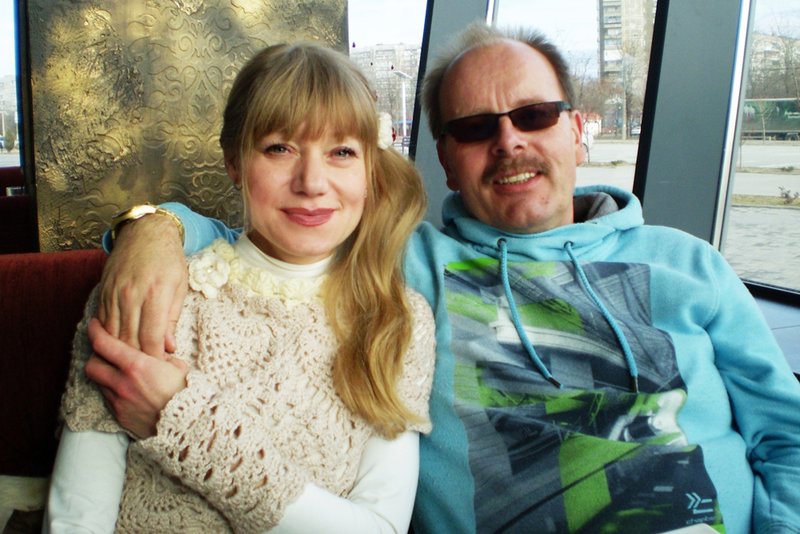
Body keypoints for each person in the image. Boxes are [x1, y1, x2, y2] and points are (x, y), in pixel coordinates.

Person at [84, 22, 800, 534]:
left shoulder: (690, 263)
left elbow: (788, 439)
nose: (509, 141)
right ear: (447, 161)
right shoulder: (397, 261)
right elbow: (264, 238)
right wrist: (154, 226)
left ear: (577, 130)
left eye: (534, 115)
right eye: (475, 128)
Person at [44, 42, 436, 533]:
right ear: (234, 162)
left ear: (369, 170)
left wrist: (185, 423)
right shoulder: (149, 290)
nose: (312, 182)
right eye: (279, 148)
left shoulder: (397, 321)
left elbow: (380, 528)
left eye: (341, 152)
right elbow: (77, 519)